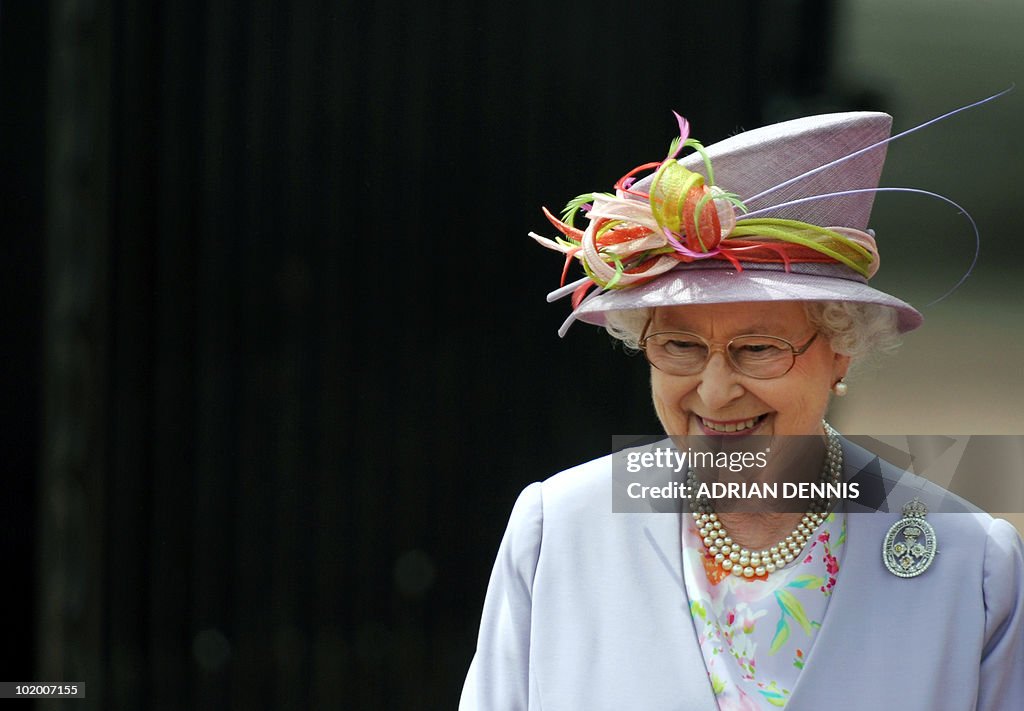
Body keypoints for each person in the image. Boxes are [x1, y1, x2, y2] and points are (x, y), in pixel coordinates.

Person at [460, 107, 1024, 710]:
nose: (715, 389)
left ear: (840, 353)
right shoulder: (558, 532)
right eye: (680, 345)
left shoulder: (971, 564)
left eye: (758, 349)